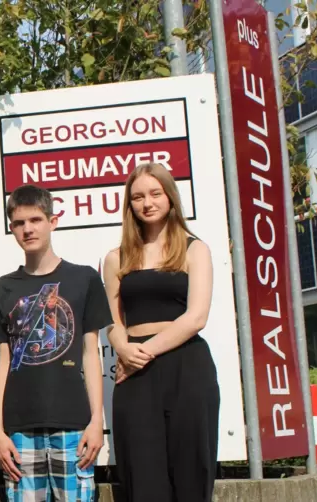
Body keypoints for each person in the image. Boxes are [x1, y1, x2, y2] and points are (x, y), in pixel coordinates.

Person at [102, 163, 220, 502]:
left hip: (187, 366)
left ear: (170, 196)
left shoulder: (194, 248)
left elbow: (196, 317)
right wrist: (124, 349)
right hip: (134, 373)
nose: (147, 203)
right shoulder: (116, 258)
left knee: (191, 474)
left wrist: (144, 351)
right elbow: (112, 321)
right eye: (137, 197)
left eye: (155, 193)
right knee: (142, 476)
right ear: (129, 204)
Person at [0, 184, 112, 502]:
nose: (27, 229)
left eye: (35, 219)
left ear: (53, 221)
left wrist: (97, 421)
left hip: (73, 426)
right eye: (19, 223)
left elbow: (91, 354)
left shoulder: (83, 279)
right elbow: (4, 362)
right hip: (18, 430)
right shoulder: (2, 289)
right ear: (11, 228)